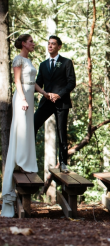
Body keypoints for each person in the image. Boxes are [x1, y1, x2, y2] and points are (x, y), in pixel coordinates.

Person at [1, 34, 49, 217]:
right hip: (22, 98)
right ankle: (20, 161)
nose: (33, 44)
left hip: (30, 97)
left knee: (28, 130)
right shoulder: (18, 59)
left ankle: (26, 162)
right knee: (20, 129)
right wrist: (22, 99)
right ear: (23, 43)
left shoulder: (29, 60)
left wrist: (44, 93)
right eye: (30, 41)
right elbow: (17, 81)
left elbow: (32, 82)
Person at [34, 35, 76, 173]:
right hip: (46, 101)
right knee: (33, 124)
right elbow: (38, 84)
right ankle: (30, 158)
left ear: (59, 46)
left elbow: (71, 82)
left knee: (61, 132)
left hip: (61, 102)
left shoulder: (66, 62)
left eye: (53, 44)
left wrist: (60, 95)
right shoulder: (43, 65)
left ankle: (63, 163)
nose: (50, 46)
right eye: (49, 44)